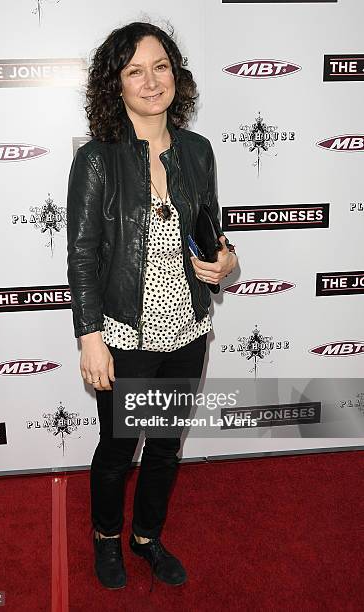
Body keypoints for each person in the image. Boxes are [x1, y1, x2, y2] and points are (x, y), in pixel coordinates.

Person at [66, 21, 237, 591]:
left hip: (186, 329)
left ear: (176, 74)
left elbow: (209, 226)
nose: (150, 80)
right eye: (134, 70)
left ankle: (147, 536)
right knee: (117, 451)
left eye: (159, 65)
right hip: (125, 335)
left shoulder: (198, 150)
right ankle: (107, 537)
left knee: (165, 447)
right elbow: (83, 253)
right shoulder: (97, 159)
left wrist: (225, 259)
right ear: (114, 85)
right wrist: (90, 335)